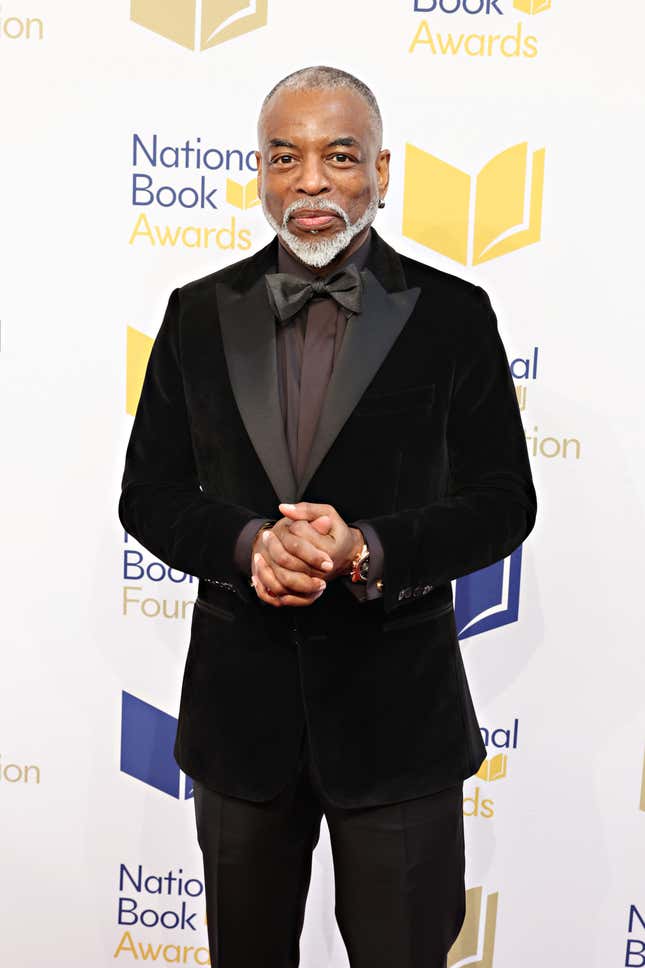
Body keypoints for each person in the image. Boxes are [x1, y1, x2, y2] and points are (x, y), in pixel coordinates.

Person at [119, 65, 537, 968]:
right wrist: (246, 545)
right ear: (260, 175)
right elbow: (148, 494)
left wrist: (372, 547)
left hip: (398, 727)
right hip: (240, 726)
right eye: (285, 157)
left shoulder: (455, 316)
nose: (310, 180)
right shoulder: (195, 315)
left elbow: (504, 501)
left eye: (338, 156)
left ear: (381, 171)